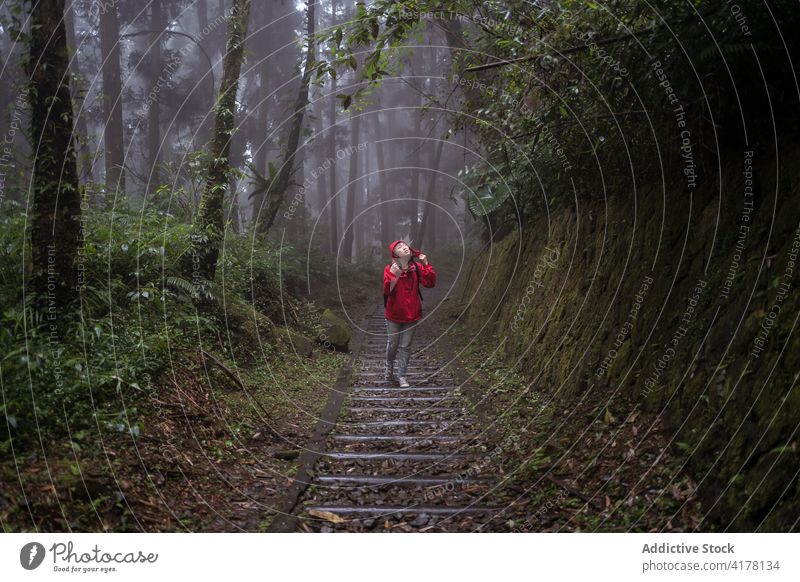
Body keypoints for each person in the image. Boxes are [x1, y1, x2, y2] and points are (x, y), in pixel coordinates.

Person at [383, 239, 437, 387]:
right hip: (393, 314)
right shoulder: (390, 269)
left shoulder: (417, 268)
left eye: (405, 245)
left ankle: (402, 376)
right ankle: (389, 367)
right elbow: (387, 291)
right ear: (394, 254)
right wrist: (394, 275)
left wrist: (426, 263)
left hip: (412, 314)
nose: (404, 247)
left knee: (405, 346)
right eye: (399, 247)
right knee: (393, 344)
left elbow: (431, 283)